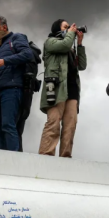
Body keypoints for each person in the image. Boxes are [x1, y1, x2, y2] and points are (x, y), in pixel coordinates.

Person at [0, 15, 35, 151]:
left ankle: (13, 161)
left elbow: (27, 54)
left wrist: (5, 60)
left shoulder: (17, 38)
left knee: (8, 126)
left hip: (12, 89)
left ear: (4, 27)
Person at [38, 19, 87, 157]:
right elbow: (64, 45)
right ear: (57, 29)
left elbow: (82, 65)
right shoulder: (51, 42)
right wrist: (71, 34)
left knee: (70, 125)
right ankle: (46, 156)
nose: (70, 29)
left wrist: (80, 44)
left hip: (72, 92)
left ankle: (65, 158)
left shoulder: (70, 49)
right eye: (66, 27)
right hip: (56, 89)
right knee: (53, 123)